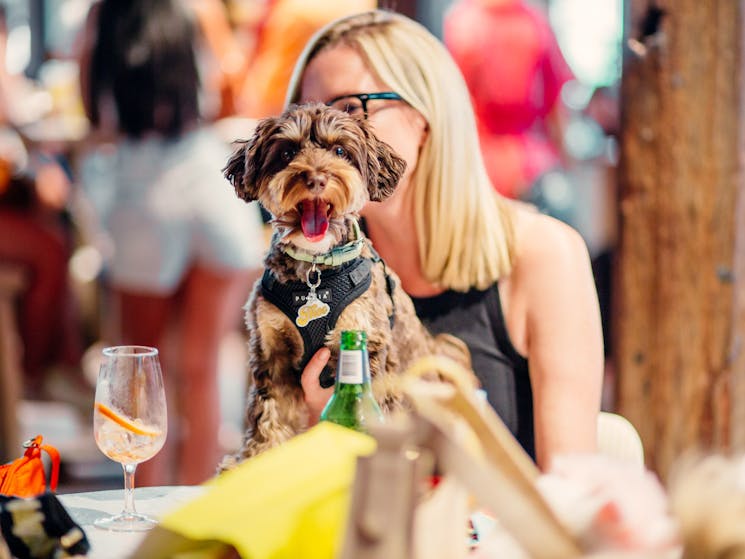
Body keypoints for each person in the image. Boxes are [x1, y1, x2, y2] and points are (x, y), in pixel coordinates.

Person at [286, 10, 604, 469]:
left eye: (349, 109)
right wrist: (317, 430)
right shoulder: (312, 273)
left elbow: (571, 493)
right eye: (305, 116)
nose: (320, 139)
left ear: (424, 115)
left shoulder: (544, 256)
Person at [78, 0, 265, 484]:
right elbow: (227, 93)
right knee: (200, 371)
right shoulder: (196, 11)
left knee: (139, 372)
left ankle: (143, 509)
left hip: (143, 197)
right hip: (209, 193)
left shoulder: (107, 16)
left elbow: (93, 110)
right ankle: (194, 513)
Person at [443, 0, 575, 201]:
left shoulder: (462, 22)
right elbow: (554, 106)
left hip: (478, 161)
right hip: (531, 163)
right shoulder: (535, 23)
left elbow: (453, 104)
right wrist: (565, 161)